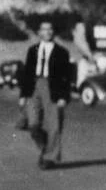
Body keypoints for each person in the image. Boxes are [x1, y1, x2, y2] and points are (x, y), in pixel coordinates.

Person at [18, 20, 71, 169]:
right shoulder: (32, 50)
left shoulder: (62, 52)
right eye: (44, 29)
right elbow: (27, 74)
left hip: (53, 88)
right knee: (33, 124)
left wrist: (63, 97)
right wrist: (23, 95)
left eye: (50, 29)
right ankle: (44, 146)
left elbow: (66, 77)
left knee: (54, 123)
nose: (47, 32)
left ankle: (49, 157)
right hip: (34, 87)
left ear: (53, 32)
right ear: (39, 32)